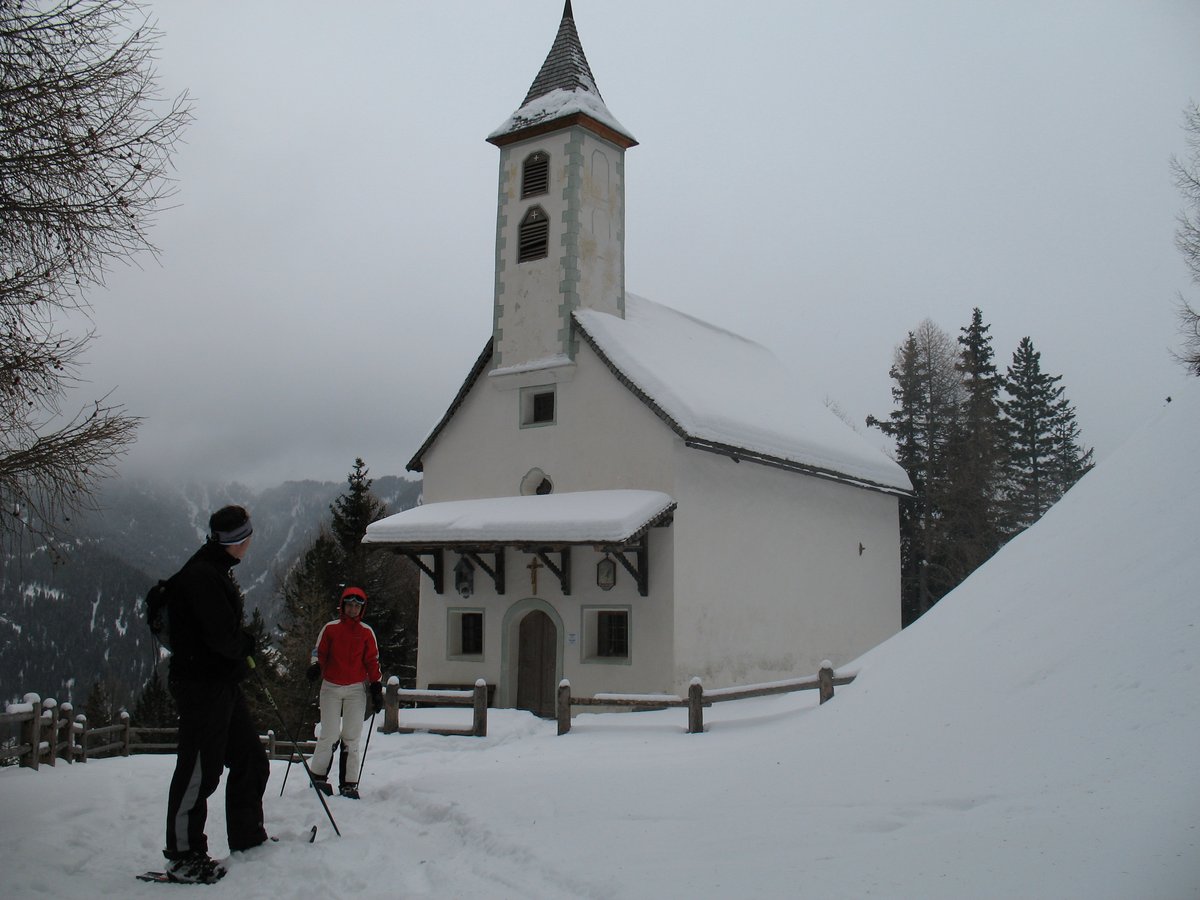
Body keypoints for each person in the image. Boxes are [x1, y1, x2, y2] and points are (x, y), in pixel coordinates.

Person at [161, 505, 270, 883]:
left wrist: (239, 652)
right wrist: (246, 645)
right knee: (198, 770)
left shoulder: (214, 568)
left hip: (221, 682)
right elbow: (221, 637)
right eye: (248, 535)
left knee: (251, 758)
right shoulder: (203, 576)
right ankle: (182, 854)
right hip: (201, 685)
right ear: (237, 540)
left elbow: (221, 636)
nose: (251, 541)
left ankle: (249, 839)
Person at [306, 586, 384, 799]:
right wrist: (315, 666)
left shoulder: (366, 632)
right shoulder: (331, 628)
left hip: (356, 690)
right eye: (349, 605)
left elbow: (372, 660)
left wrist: (376, 686)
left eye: (357, 606)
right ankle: (318, 777)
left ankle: (349, 783)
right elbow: (319, 651)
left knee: (352, 735)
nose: (352, 609)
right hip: (331, 686)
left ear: (362, 609)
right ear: (343, 606)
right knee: (329, 733)